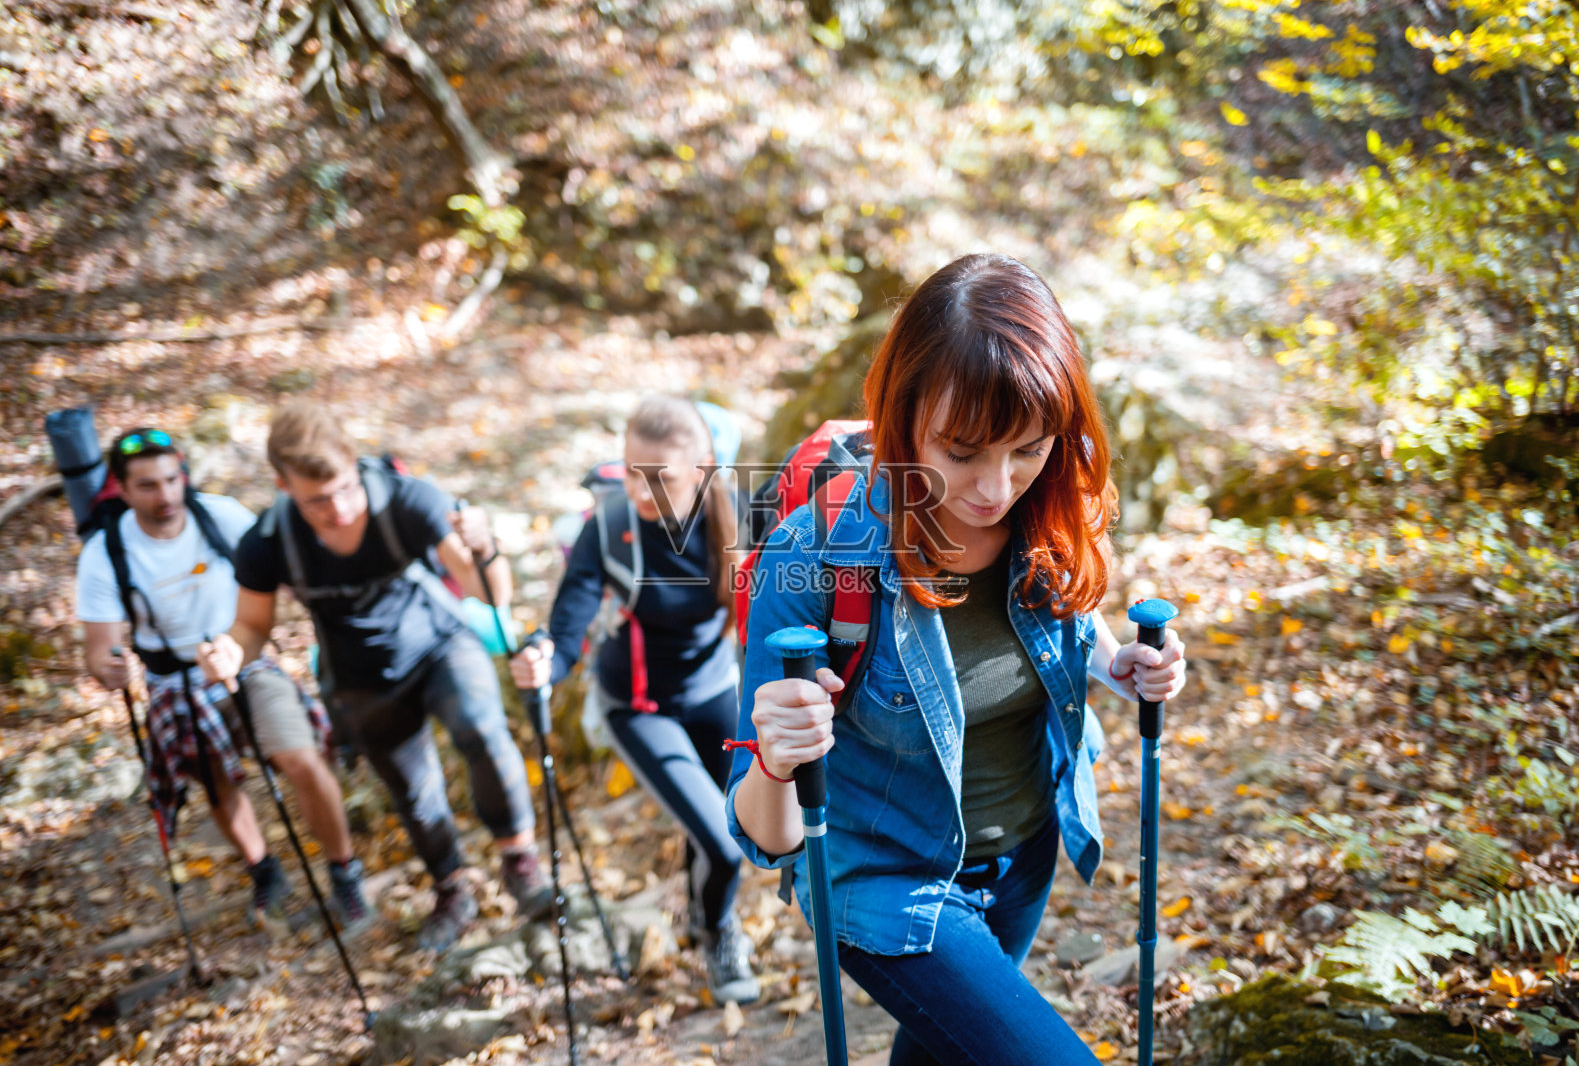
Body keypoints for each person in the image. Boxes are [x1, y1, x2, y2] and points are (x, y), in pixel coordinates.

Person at [727, 253, 1189, 1065]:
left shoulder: (1050, 504)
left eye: (1027, 448)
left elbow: (1066, 618)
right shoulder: (813, 557)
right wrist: (777, 756)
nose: (996, 484)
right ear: (903, 414)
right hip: (883, 883)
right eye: (964, 449)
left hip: (1024, 858)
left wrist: (1117, 664)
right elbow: (762, 834)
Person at [197, 402, 553, 951]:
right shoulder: (268, 541)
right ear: (282, 484)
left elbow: (488, 592)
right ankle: (452, 889)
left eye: (344, 489)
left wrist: (484, 546)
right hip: (359, 674)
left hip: (438, 643)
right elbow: (251, 627)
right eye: (316, 500)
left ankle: (520, 863)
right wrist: (227, 651)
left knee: (481, 728)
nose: (337, 509)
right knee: (413, 790)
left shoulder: (407, 501)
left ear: (353, 464)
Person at [510, 396, 760, 1004]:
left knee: (720, 831)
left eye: (662, 478)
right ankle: (717, 933)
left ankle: (703, 914)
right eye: (631, 472)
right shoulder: (610, 528)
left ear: (703, 469)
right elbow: (569, 622)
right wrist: (547, 656)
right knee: (726, 844)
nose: (643, 492)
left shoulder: (744, 516)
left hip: (717, 694)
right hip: (640, 708)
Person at [76, 427, 370, 929]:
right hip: (174, 681)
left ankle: (344, 871)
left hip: (245, 660)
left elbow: (285, 572)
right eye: (147, 486)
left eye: (172, 479)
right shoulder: (106, 553)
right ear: (121, 490)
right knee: (214, 779)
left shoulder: (223, 516)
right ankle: (264, 868)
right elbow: (100, 652)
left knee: (300, 755)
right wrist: (111, 668)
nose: (166, 495)